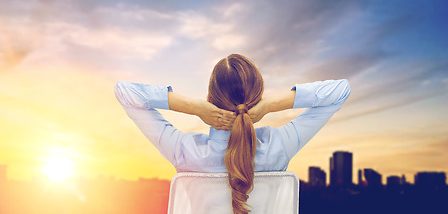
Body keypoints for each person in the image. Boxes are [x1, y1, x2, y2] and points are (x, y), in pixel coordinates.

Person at [114, 54, 350, 214]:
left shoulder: (185, 152)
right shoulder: (280, 146)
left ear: (209, 100)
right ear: (256, 101)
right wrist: (271, 105)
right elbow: (340, 91)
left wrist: (194, 108)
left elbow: (125, 93)